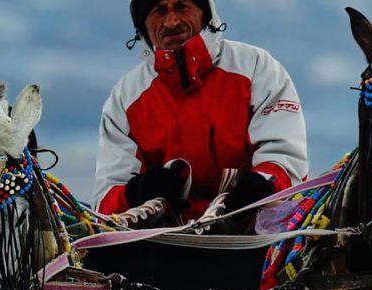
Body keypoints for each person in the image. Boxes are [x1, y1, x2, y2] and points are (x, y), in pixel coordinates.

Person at [92, 0, 308, 225]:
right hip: (163, 245)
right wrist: (136, 192)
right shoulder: (126, 97)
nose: (171, 22)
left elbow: (285, 160)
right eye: (159, 11)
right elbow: (106, 201)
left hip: (257, 235)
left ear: (206, 14)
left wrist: (260, 187)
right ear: (142, 26)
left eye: (182, 6)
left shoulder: (256, 67)